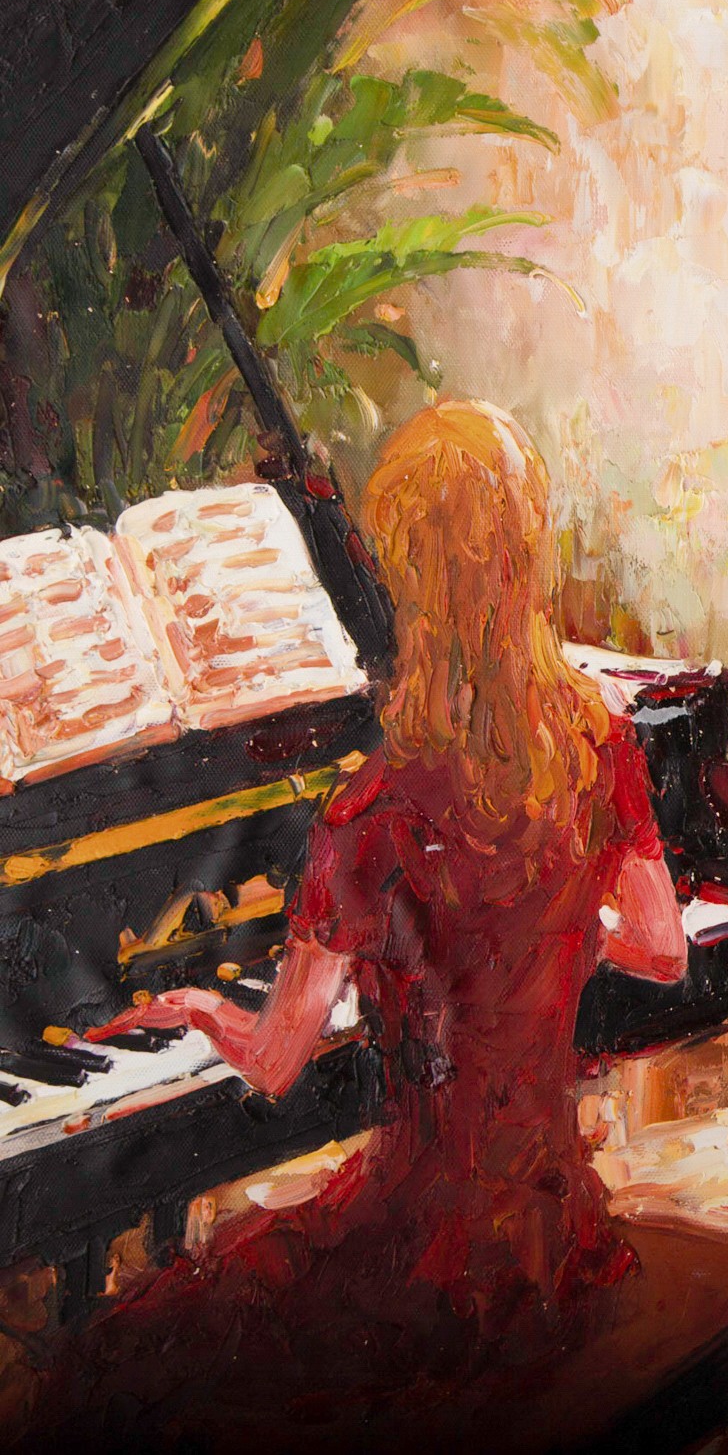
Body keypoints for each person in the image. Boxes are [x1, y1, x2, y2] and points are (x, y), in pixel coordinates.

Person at [28, 400, 689, 1447]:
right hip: (555, 1236)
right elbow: (662, 949)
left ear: (406, 582)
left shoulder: (372, 813)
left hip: (423, 1262)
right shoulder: (598, 740)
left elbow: (276, 1062)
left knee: (106, 1362)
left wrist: (199, 1007)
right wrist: (551, 921)